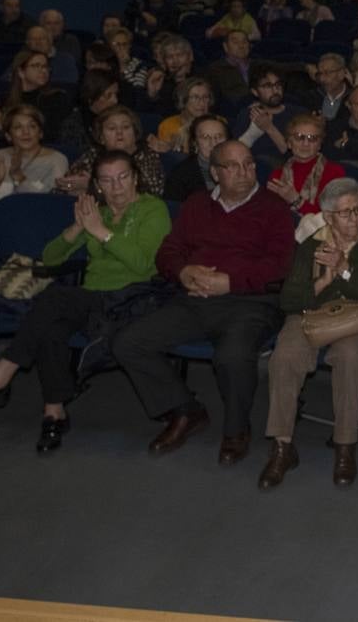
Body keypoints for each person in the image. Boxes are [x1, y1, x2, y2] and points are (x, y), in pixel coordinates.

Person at [0, 151, 171, 452]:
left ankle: (0, 375)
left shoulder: (153, 209)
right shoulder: (95, 212)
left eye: (123, 177)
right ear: (98, 185)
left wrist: (100, 233)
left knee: (54, 297)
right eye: (107, 180)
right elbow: (49, 259)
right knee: (51, 327)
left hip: (131, 301)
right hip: (92, 300)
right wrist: (77, 227)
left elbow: (144, 265)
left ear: (135, 178)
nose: (117, 187)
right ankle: (54, 412)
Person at [112, 140, 294, 464]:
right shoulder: (196, 205)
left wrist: (231, 281)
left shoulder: (273, 207)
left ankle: (237, 430)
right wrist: (182, 272)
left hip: (251, 302)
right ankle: (186, 410)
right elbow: (168, 251)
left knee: (232, 355)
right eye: (233, 166)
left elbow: (281, 265)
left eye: (249, 164)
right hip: (195, 299)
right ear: (215, 172)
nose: (244, 171)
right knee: (129, 342)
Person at [260, 178, 358, 490]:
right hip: (313, 314)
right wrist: (322, 282)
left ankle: (345, 446)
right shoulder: (311, 246)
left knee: (348, 357)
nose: (356, 219)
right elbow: (289, 300)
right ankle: (282, 446)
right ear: (329, 217)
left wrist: (344, 269)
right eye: (346, 213)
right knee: (285, 357)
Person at [57, 106, 165, 197]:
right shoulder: (93, 155)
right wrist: (69, 187)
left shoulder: (147, 156)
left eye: (126, 127)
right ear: (101, 138)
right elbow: (64, 185)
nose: (119, 132)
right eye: (112, 128)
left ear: (135, 133)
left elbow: (151, 194)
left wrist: (93, 188)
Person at [0, 106, 69, 207]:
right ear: (8, 136)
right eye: (18, 127)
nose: (26, 132)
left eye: (32, 126)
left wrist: (19, 177)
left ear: (40, 133)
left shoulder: (57, 160)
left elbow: (50, 203)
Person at [267, 113, 347, 216]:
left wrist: (296, 200)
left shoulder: (335, 172)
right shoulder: (277, 176)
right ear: (289, 143)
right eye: (299, 137)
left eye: (312, 138)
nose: (305, 143)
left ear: (319, 145)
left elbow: (333, 215)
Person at [0, 49, 74, 134]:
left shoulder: (57, 98)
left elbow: (50, 135)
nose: (44, 71)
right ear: (21, 72)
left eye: (45, 66)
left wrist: (3, 130)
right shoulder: (5, 101)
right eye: (36, 66)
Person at [163, 114, 229, 203]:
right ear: (195, 142)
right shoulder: (180, 175)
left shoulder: (241, 168)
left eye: (219, 137)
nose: (213, 143)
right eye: (205, 137)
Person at [237, 64, 298, 158]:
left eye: (278, 84)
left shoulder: (298, 114)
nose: (275, 90)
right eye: (267, 86)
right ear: (255, 92)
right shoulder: (247, 115)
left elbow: (297, 155)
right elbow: (235, 154)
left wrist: (269, 128)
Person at [57, 70, 121, 154]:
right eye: (108, 96)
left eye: (116, 94)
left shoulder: (122, 117)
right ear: (91, 96)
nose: (115, 100)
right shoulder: (73, 125)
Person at [151, 77, 216, 154]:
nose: (202, 103)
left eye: (205, 97)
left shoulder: (218, 123)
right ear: (183, 100)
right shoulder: (167, 125)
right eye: (195, 97)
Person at [205, 30, 255, 102]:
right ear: (225, 46)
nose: (241, 46)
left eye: (244, 42)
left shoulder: (260, 65)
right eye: (235, 42)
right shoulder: (214, 70)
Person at [106, 28, 151, 94]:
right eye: (117, 44)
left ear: (129, 46)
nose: (121, 48)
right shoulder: (107, 64)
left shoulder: (139, 65)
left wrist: (123, 67)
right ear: (110, 46)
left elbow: (137, 90)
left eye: (124, 44)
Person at [311, 53, 351, 122]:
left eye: (327, 73)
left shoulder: (353, 98)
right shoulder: (310, 97)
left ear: (341, 74)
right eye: (320, 73)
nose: (322, 79)